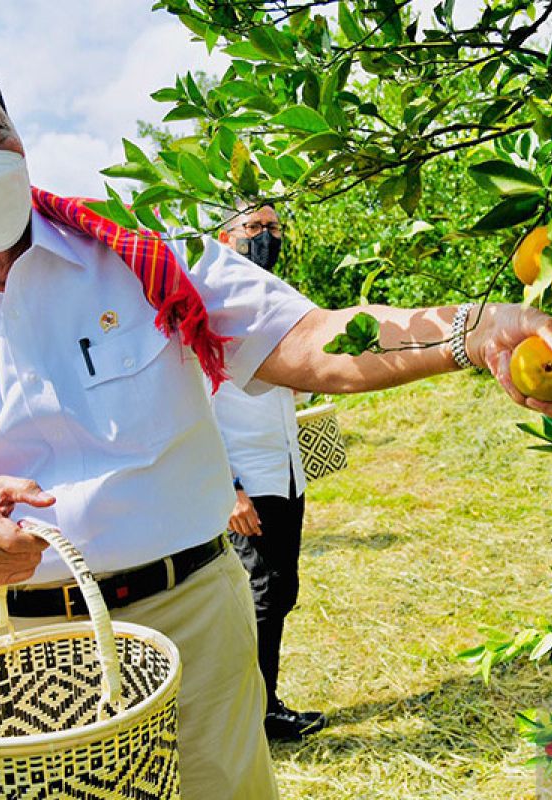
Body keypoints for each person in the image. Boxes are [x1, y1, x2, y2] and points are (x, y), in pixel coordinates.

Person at [0, 30, 552, 799]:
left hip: (189, 618)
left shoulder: (146, 253)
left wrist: (470, 330)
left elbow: (314, 341)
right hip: (10, 648)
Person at [213, 204, 324, 741]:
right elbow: (197, 403)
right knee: (259, 594)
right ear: (226, 237)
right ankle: (254, 714)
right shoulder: (213, 303)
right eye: (254, 228)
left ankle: (262, 704)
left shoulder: (273, 298)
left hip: (284, 471)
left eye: (274, 228)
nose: (267, 237)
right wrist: (228, 488)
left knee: (279, 591)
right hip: (247, 480)